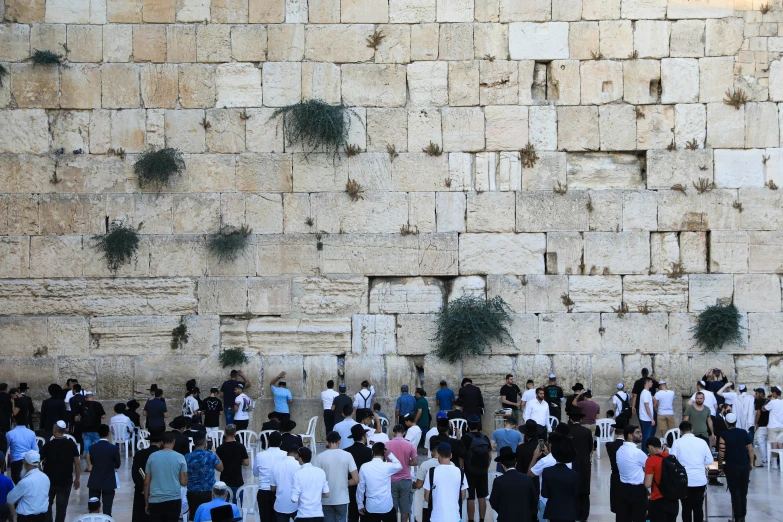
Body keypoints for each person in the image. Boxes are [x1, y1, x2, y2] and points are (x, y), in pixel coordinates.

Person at [669, 421, 713, 522]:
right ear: (692, 429)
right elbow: (709, 460)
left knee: (686, 507)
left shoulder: (677, 442)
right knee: (698, 507)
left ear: (681, 431)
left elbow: (673, 460)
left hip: (684, 481)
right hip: (699, 480)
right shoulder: (702, 442)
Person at [315, 431, 358, 522]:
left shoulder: (320, 457)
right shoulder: (347, 455)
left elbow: (316, 480)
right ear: (340, 441)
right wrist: (344, 482)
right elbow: (356, 479)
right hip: (342, 498)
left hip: (325, 498)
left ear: (327, 442)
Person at [41, 421, 80, 522]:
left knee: (47, 506)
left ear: (54, 431)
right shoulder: (71, 444)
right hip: (65, 480)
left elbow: (37, 461)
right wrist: (78, 478)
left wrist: (41, 473)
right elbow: (77, 463)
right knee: (61, 508)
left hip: (49, 480)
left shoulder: (48, 445)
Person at [145, 431, 188, 522]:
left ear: (161, 443)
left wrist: (146, 502)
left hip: (155, 500)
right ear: (174, 442)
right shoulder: (180, 457)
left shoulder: (152, 457)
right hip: (174, 500)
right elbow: (183, 482)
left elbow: (146, 482)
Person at [718, 412, 753, 522]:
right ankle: (742, 517)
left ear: (725, 422)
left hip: (732, 467)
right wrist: (751, 463)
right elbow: (751, 449)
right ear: (735, 422)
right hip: (744, 466)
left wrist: (721, 466)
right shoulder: (743, 432)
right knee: (743, 493)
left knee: (735, 493)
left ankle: (737, 517)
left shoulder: (724, 435)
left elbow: (721, 453)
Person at [357, 443, 402, 522]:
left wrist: (360, 504)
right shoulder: (387, 466)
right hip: (386, 506)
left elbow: (360, 488)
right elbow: (399, 465)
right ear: (384, 453)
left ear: (372, 452)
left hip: (371, 506)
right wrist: (390, 454)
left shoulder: (364, 467)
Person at [489, 446, 536, 522]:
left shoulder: (498, 481)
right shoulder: (527, 479)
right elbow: (534, 500)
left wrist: (503, 512)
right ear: (515, 463)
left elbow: (493, 502)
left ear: (502, 466)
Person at [424, 443, 469, 522]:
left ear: (438, 454)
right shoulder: (460, 472)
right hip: (455, 517)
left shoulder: (431, 472)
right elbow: (463, 496)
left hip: (436, 518)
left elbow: (427, 497)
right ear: (451, 455)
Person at [460, 415, 490, 522]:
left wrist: (461, 469)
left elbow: (461, 457)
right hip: (483, 470)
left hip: (469, 471)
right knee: (482, 496)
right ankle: (482, 519)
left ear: (468, 425)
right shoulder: (485, 437)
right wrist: (486, 466)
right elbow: (489, 455)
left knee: (471, 496)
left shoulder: (465, 438)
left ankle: (471, 520)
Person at [186, 435, 223, 520]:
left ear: (194, 443)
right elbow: (221, 468)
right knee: (209, 516)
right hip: (208, 491)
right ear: (205, 443)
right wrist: (214, 452)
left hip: (192, 491)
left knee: (194, 516)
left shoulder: (188, 456)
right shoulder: (210, 455)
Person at [615, 424, 648, 522]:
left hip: (623, 488)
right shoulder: (637, 452)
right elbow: (649, 466)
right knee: (639, 518)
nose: (640, 435)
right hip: (637, 491)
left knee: (624, 517)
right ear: (630, 436)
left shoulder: (619, 450)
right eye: (637, 433)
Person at [385, 425, 417, 522]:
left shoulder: (386, 444)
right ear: (404, 433)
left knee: (392, 507)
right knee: (405, 508)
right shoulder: (409, 444)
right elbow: (415, 462)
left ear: (393, 432)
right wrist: (405, 462)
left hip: (391, 480)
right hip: (405, 479)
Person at [86, 424, 120, 516]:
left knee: (93, 510)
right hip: (108, 480)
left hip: (95, 480)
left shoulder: (92, 448)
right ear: (108, 433)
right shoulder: (114, 448)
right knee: (107, 511)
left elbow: (92, 462)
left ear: (98, 434)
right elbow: (118, 464)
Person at [541, 441, 579, 522]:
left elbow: (544, 494)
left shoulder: (547, 472)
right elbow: (575, 494)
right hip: (569, 512)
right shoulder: (573, 474)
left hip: (553, 511)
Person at [252, 431, 286, 522]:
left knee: (265, 519)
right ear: (281, 442)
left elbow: (255, 473)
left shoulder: (260, 455)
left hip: (264, 491)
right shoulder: (285, 455)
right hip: (280, 491)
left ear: (268, 441)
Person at [7, 451, 49, 522]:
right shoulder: (45, 478)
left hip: (26, 518)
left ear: (25, 463)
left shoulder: (25, 481)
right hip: (42, 517)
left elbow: (10, 499)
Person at [644, 437, 678, 522]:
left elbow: (647, 484)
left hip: (658, 500)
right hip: (673, 500)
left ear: (650, 447)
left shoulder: (651, 460)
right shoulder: (672, 457)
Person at [291, 447, 330, 522]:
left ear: (300, 458)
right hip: (318, 515)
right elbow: (327, 494)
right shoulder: (321, 472)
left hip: (303, 515)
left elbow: (294, 499)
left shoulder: (297, 474)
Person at [344, 425, 373, 522]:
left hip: (351, 486)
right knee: (366, 515)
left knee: (352, 516)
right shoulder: (370, 452)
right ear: (363, 437)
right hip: (366, 488)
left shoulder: (346, 452)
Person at [568, 410, 593, 521]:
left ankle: (574, 512)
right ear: (581, 420)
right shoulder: (587, 431)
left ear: (571, 420)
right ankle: (584, 515)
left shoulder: (567, 431)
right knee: (584, 488)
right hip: (584, 463)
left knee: (573, 488)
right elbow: (590, 448)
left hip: (571, 462)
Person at [132, 434, 162, 522]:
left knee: (140, 516)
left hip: (141, 490)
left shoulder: (139, 454)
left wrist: (142, 487)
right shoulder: (162, 455)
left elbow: (135, 473)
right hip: (157, 490)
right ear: (161, 442)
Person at [215, 425, 249, 502]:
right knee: (237, 507)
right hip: (237, 481)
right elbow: (246, 462)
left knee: (224, 508)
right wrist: (238, 460)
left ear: (225, 433)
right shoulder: (240, 447)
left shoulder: (220, 448)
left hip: (224, 481)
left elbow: (217, 465)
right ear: (235, 433)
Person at [271, 443, 302, 522]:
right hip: (296, 505)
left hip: (280, 505)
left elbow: (272, 489)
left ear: (287, 453)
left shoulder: (276, 465)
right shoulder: (299, 466)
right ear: (298, 454)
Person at [605, 416, 628, 518]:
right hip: (627, 477)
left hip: (615, 476)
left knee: (618, 506)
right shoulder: (628, 446)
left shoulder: (610, 445)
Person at [413, 438, 441, 522]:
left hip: (428, 502)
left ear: (431, 452)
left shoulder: (425, 465)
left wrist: (413, 484)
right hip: (443, 502)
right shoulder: (451, 465)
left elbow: (419, 485)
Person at [79, 391, 106, 471]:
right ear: (93, 397)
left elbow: (78, 416)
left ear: (85, 398)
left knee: (87, 448)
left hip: (85, 430)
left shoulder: (81, 405)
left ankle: (90, 466)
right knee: (99, 447)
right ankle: (100, 465)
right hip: (95, 429)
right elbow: (103, 416)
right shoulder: (97, 404)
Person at [763, 385, 783, 467]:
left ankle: (774, 463)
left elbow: (763, 409)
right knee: (780, 444)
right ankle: (781, 462)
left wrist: (768, 400)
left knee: (774, 444)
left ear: (775, 393)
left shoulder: (772, 402)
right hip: (781, 426)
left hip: (772, 426)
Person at [637, 378, 655, 454]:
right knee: (646, 436)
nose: (652, 383)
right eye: (651, 382)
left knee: (646, 435)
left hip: (645, 417)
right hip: (646, 418)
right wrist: (652, 419)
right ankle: (645, 452)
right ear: (647, 383)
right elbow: (646, 406)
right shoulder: (645, 393)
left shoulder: (646, 393)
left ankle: (645, 451)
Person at [753, 387, 769, 467]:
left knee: (761, 443)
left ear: (760, 393)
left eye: (756, 393)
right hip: (768, 425)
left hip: (761, 425)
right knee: (767, 443)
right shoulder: (768, 401)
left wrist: (756, 423)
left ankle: (764, 460)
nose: (755, 395)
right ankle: (768, 459)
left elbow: (758, 413)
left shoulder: (759, 402)